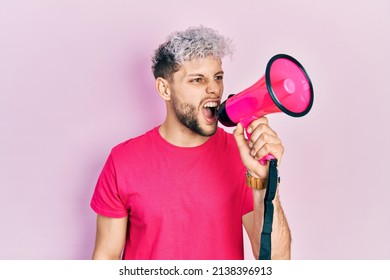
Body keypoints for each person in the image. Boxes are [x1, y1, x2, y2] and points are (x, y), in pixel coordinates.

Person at [90, 26, 291, 260]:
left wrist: (265, 182)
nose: (214, 89)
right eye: (197, 80)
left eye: (218, 77)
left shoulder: (240, 155)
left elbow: (275, 263)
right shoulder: (122, 161)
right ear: (165, 89)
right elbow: (106, 258)